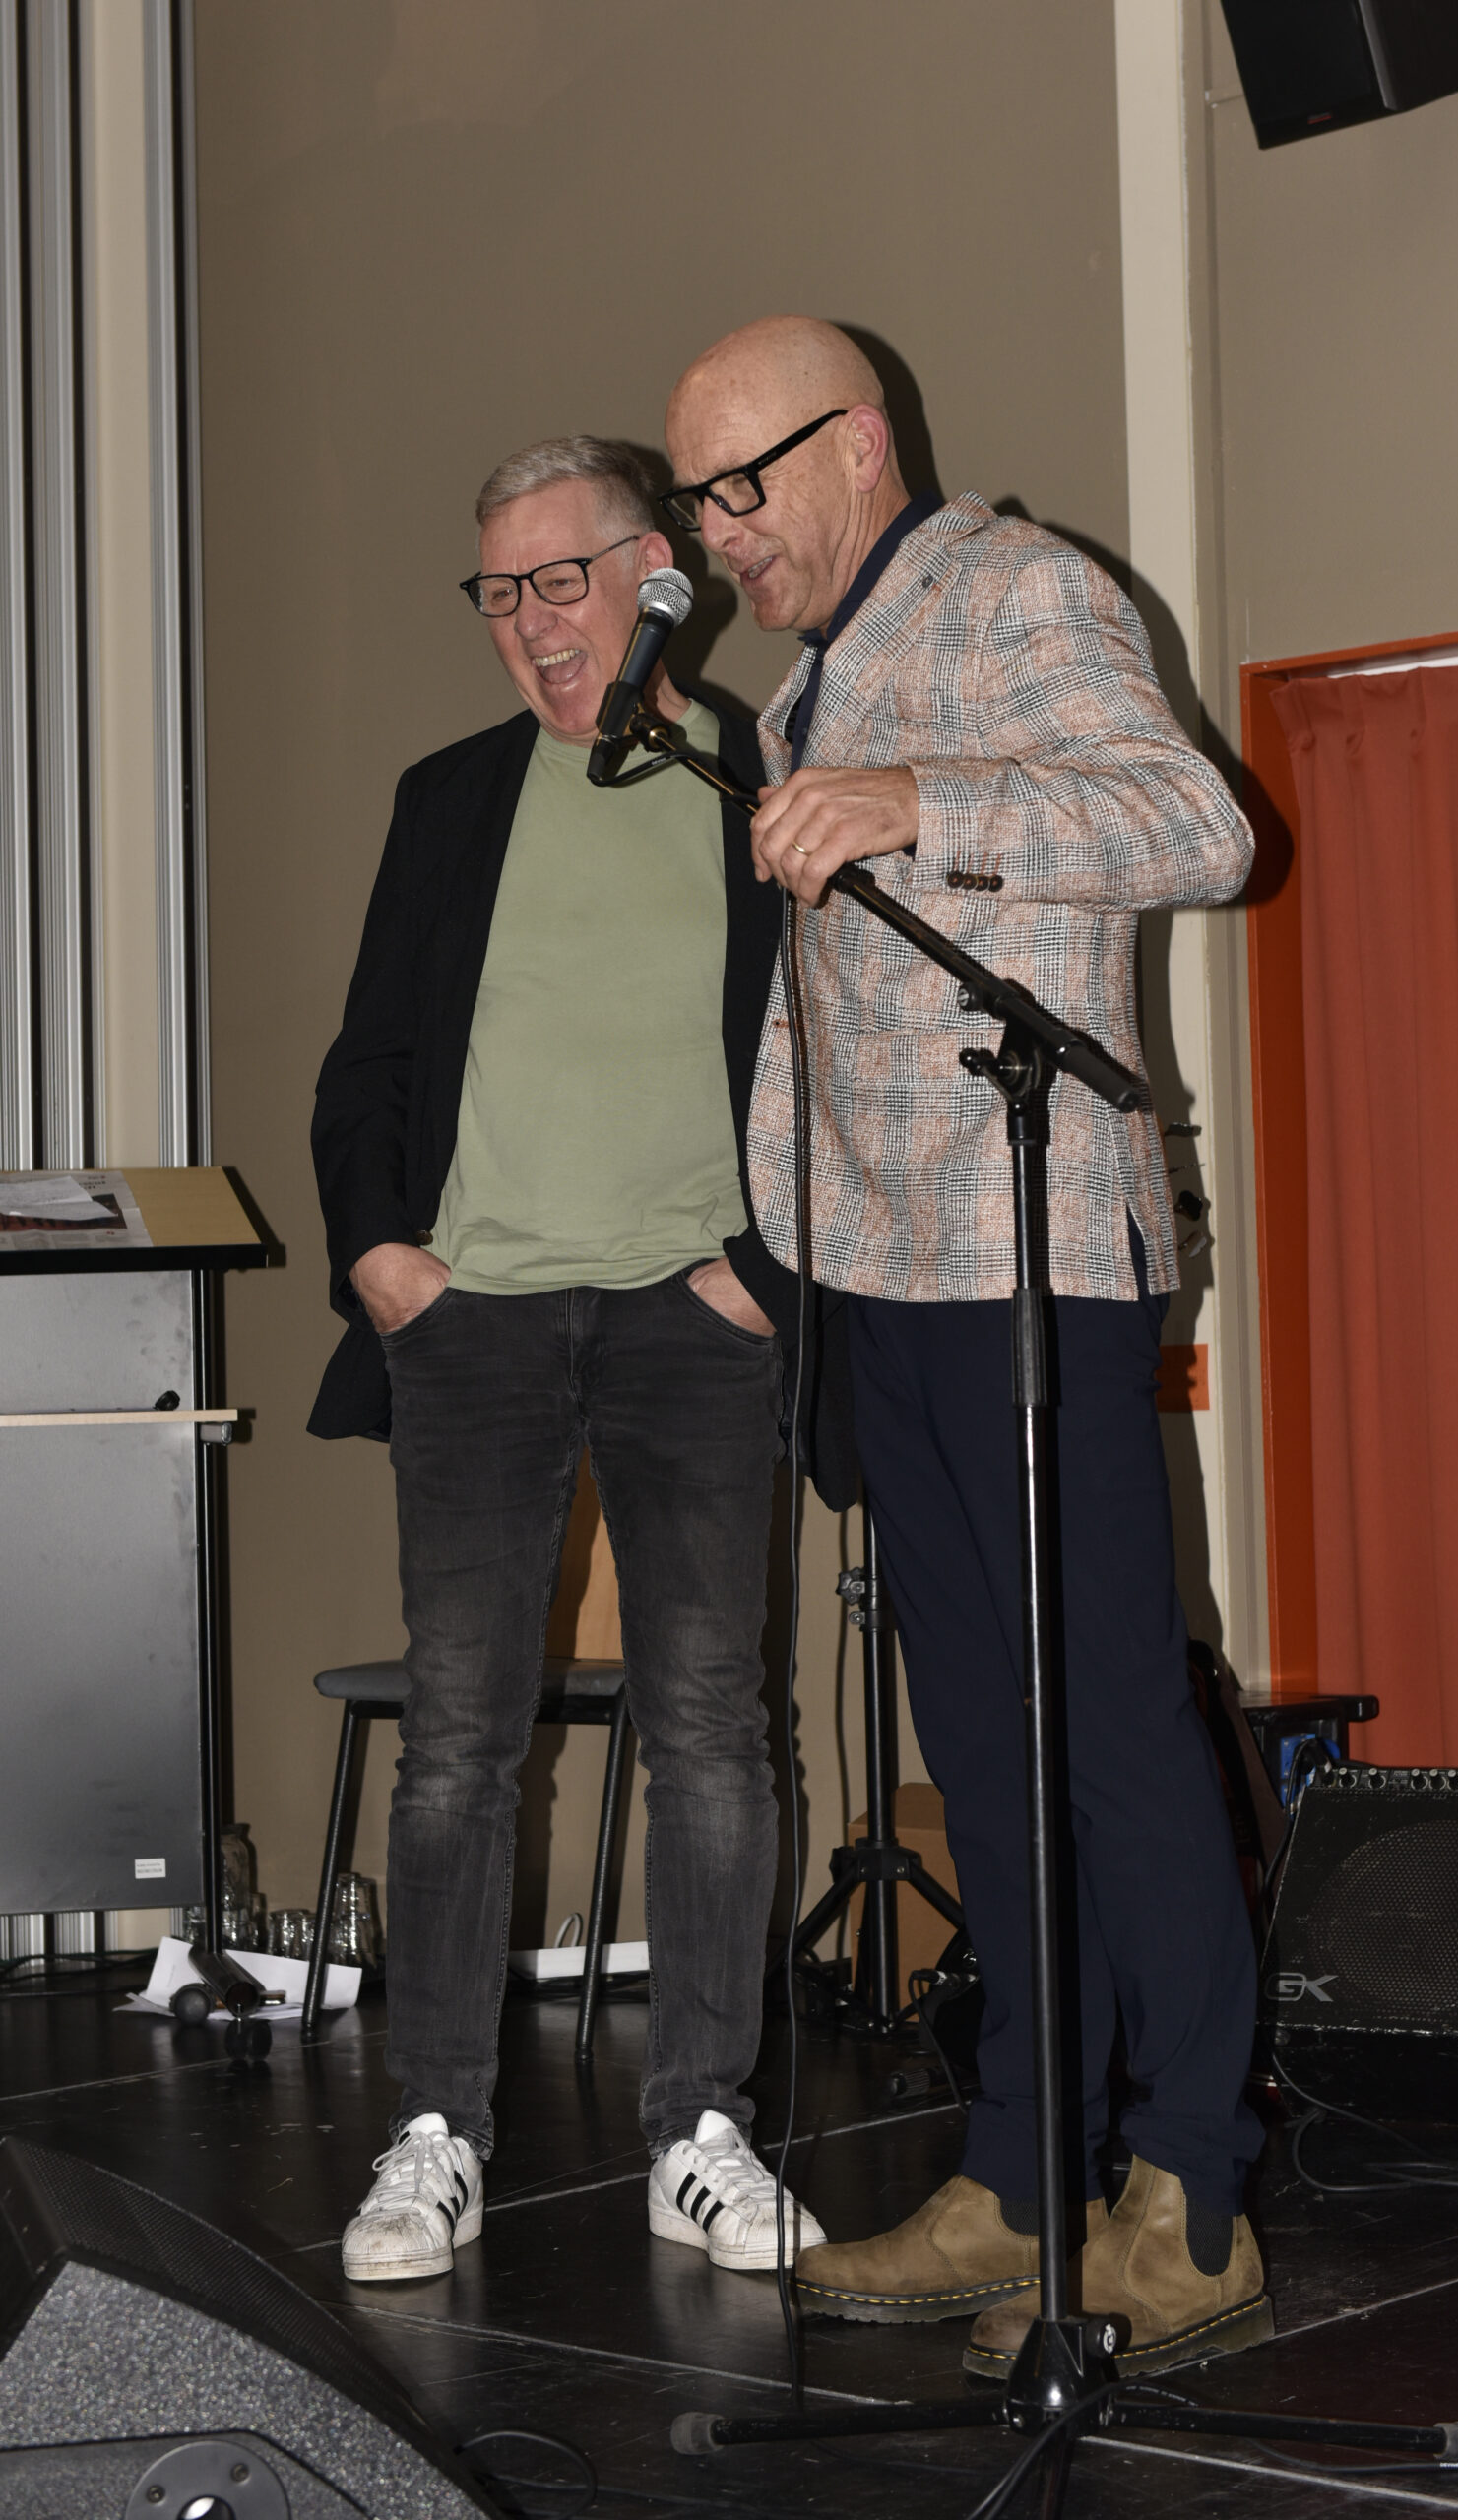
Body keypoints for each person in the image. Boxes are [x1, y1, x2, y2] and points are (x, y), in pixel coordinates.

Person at [664, 320, 1268, 2373]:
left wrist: (919, 797)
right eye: (697, 500)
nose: (718, 534)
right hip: (877, 1275)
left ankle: (1189, 2194)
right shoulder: (802, 682)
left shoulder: (1019, 588)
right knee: (984, 1751)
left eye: (740, 486)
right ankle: (1021, 2173)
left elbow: (1194, 824)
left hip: (1034, 1258)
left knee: (1107, 1724)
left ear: (858, 443)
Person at [310, 435, 826, 2284]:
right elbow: (370, 1059)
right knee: (458, 1740)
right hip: (478, 1324)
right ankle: (434, 2130)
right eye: (498, 592)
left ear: (654, 575)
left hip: (698, 1322)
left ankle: (701, 2129)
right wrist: (381, 1255)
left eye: (560, 580)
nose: (529, 623)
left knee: (711, 1732)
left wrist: (762, 1271)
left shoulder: (760, 774)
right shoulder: (449, 797)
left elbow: (844, 1046)